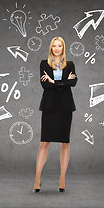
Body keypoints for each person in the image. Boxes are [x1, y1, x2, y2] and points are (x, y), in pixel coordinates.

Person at [33, 36, 77, 193]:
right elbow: (44, 84)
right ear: (51, 48)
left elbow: (73, 83)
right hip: (49, 107)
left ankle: (62, 178)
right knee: (44, 142)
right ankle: (37, 179)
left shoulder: (70, 64)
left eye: (59, 45)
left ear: (63, 47)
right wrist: (60, 83)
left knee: (65, 143)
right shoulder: (44, 64)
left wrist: (54, 82)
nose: (57, 48)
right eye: (54, 46)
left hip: (65, 108)